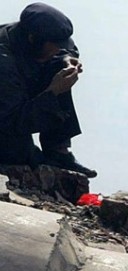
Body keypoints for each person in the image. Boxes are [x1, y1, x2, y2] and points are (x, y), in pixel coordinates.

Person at [0, 3, 95, 177]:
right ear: (32, 39)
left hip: (12, 108)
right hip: (5, 118)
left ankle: (58, 152)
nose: (58, 51)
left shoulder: (29, 35)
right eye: (55, 48)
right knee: (21, 154)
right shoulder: (4, 63)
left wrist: (67, 59)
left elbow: (69, 48)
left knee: (58, 68)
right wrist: (52, 92)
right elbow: (11, 122)